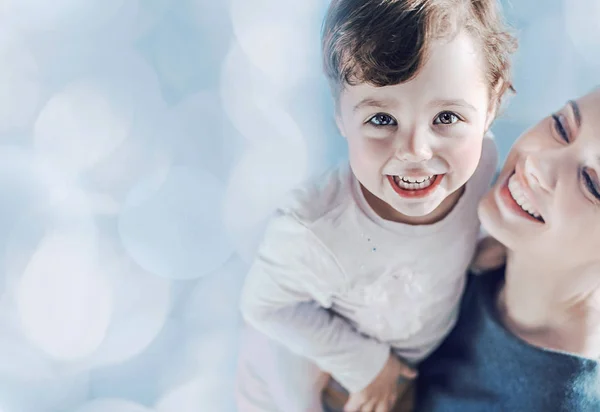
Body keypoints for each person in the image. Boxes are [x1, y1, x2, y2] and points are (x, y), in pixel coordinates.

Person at [236, 0, 517, 411]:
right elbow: (263, 304)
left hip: (414, 365)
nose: (416, 151)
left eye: (447, 118)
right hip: (324, 379)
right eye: (382, 120)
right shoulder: (316, 229)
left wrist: (488, 245)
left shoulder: (482, 163)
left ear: (490, 105)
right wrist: (367, 365)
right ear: (340, 115)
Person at [415, 87, 600, 411]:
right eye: (561, 127)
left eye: (592, 183)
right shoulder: (477, 202)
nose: (539, 164)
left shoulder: (550, 402)